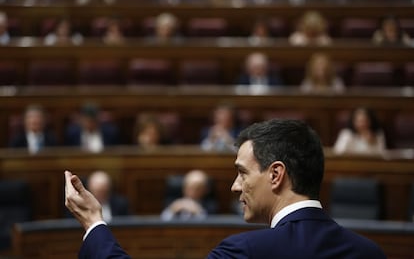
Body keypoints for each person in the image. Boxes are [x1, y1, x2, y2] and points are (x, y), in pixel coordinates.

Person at [65, 119, 386, 258]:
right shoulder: (369, 254)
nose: (234, 187)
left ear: (276, 175)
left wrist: (94, 225)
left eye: (242, 173)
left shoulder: (243, 252)